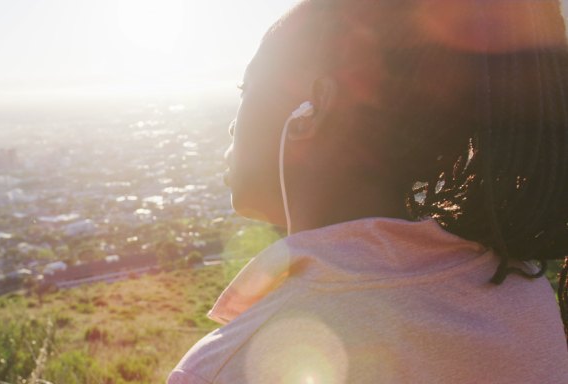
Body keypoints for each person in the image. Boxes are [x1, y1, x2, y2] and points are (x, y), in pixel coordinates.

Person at [169, 1, 568, 382]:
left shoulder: (225, 368)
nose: (232, 127)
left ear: (313, 110)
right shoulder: (524, 296)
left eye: (245, 88)